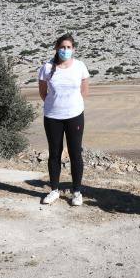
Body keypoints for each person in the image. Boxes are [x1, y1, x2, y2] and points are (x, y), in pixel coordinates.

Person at [38, 33, 90, 206]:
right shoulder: (46, 67)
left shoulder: (80, 66)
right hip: (52, 117)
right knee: (54, 153)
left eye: (68, 47)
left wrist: (72, 105)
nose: (65, 50)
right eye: (62, 47)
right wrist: (56, 105)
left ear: (73, 49)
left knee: (76, 153)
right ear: (56, 48)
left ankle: (77, 191)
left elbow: (84, 91)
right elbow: (43, 93)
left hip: (75, 116)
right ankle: (54, 190)